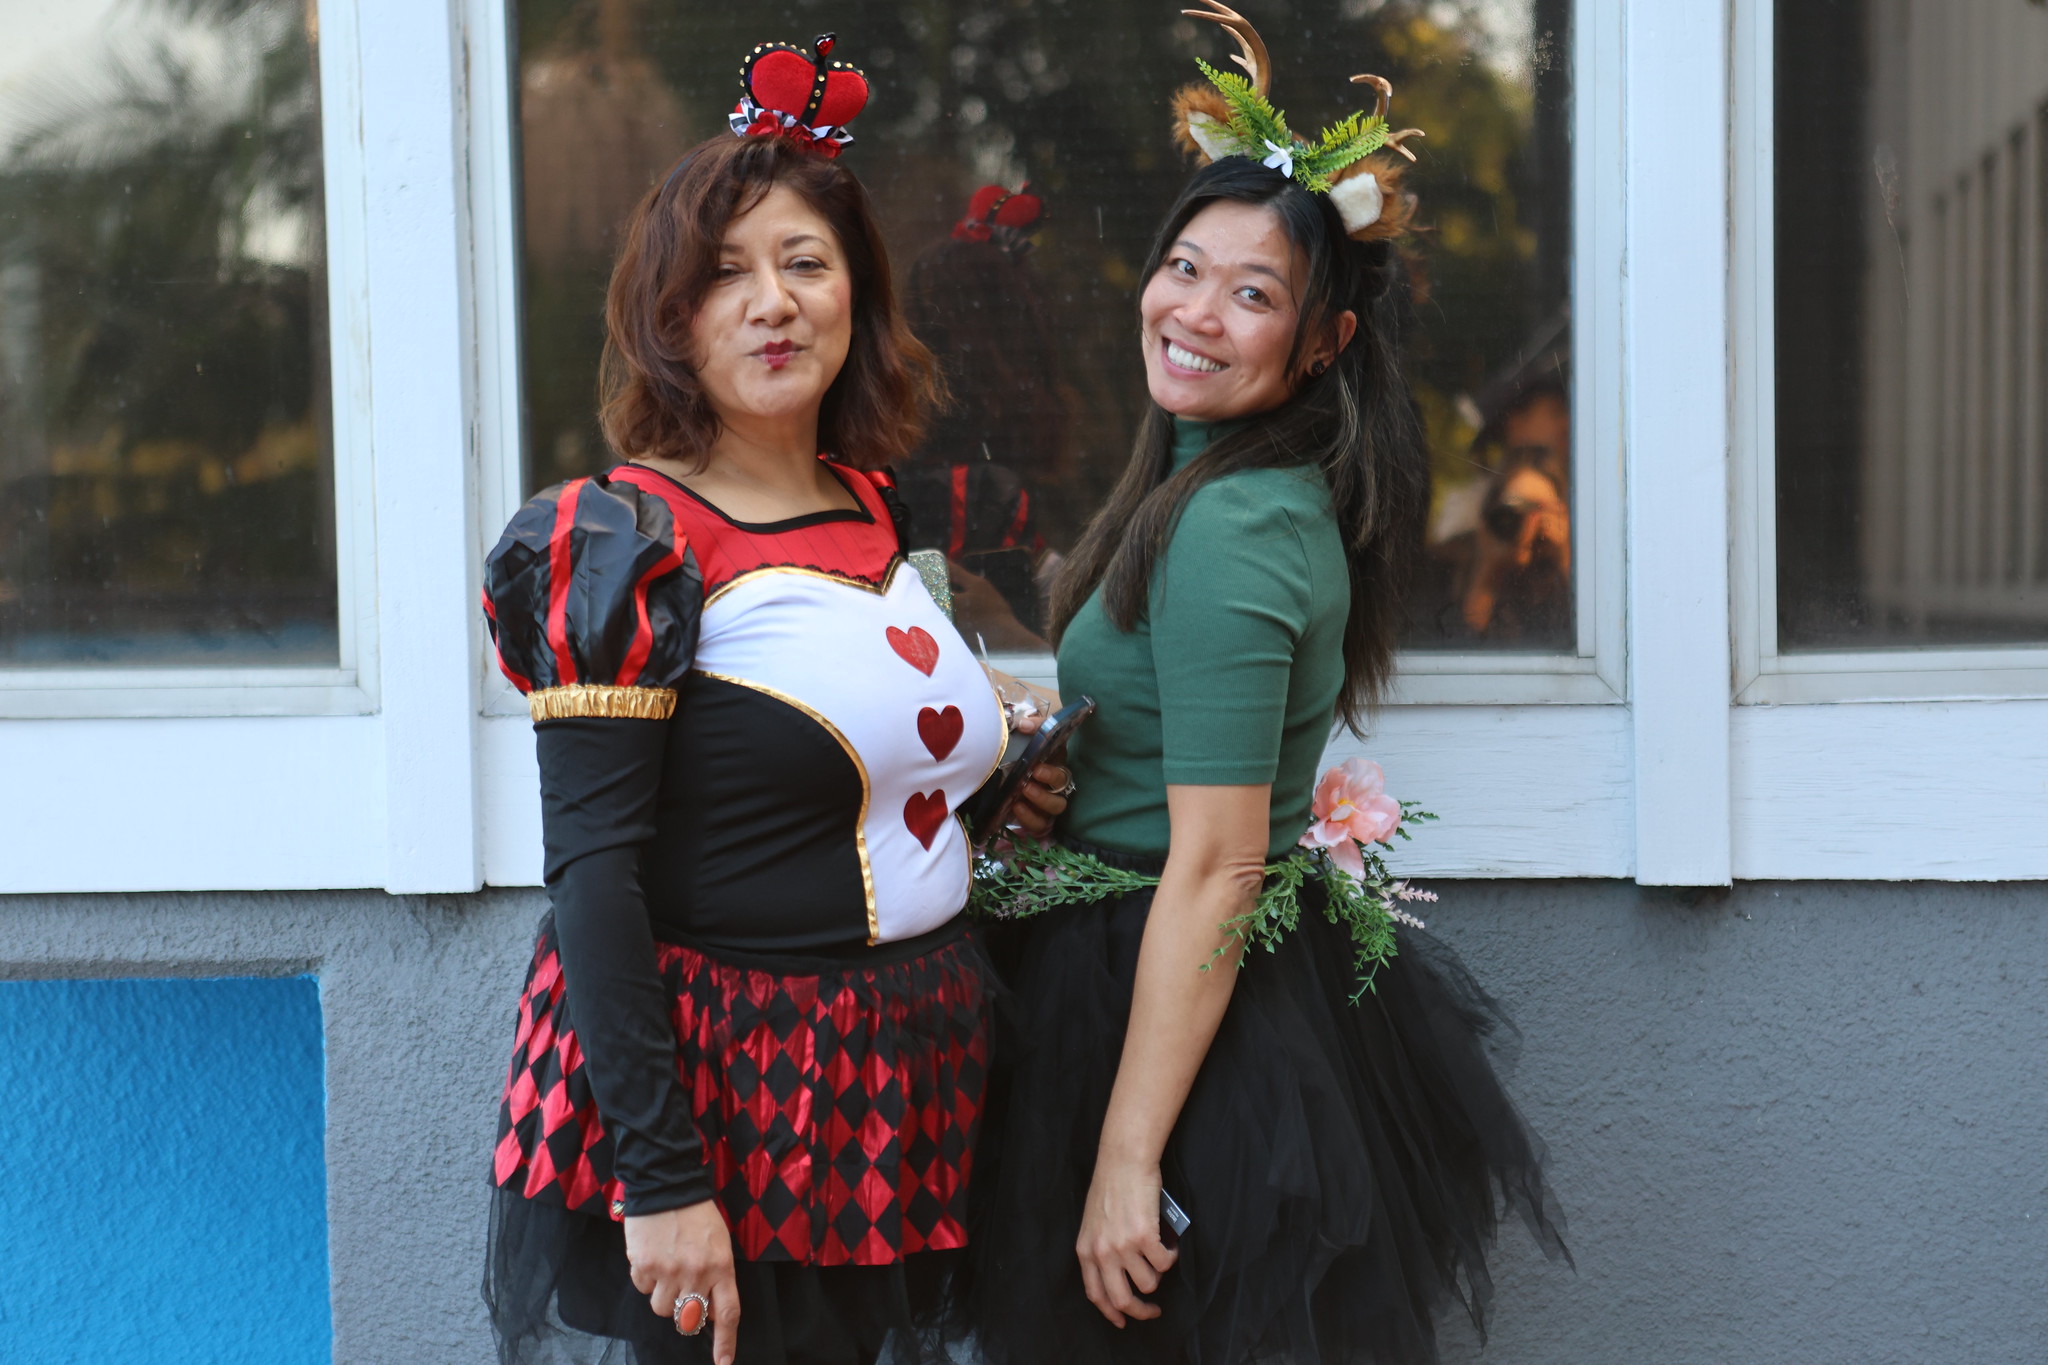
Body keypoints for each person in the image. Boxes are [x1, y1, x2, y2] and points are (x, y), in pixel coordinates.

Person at [957, 9, 1565, 1364]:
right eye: (1185, 267)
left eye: (1253, 293)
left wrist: (1127, 1156)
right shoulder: (1195, 491)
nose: (1194, 310)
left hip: (1172, 1022)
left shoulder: (1235, 526)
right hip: (1146, 972)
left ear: (1323, 339)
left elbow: (1225, 864)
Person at [478, 35, 1067, 1365]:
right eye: (726, 275)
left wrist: (997, 774)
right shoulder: (621, 544)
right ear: (668, 314)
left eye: (805, 263)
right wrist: (663, 1179)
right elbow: (592, 880)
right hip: (736, 1095)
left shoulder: (873, 506)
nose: (773, 302)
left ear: (857, 291)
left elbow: (829, 779)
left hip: (899, 1070)